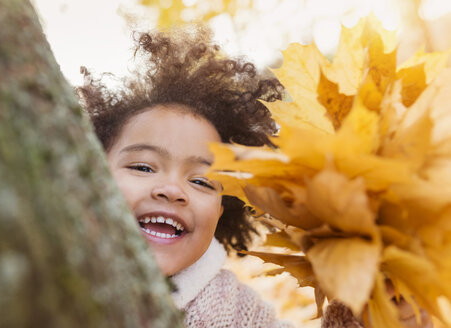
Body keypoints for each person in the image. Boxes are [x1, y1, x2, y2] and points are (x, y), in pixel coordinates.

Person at [78, 28, 432, 328]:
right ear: (90, 174)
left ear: (222, 209)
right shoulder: (46, 271)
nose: (172, 190)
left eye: (201, 181)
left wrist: (365, 312)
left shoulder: (233, 312)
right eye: (143, 167)